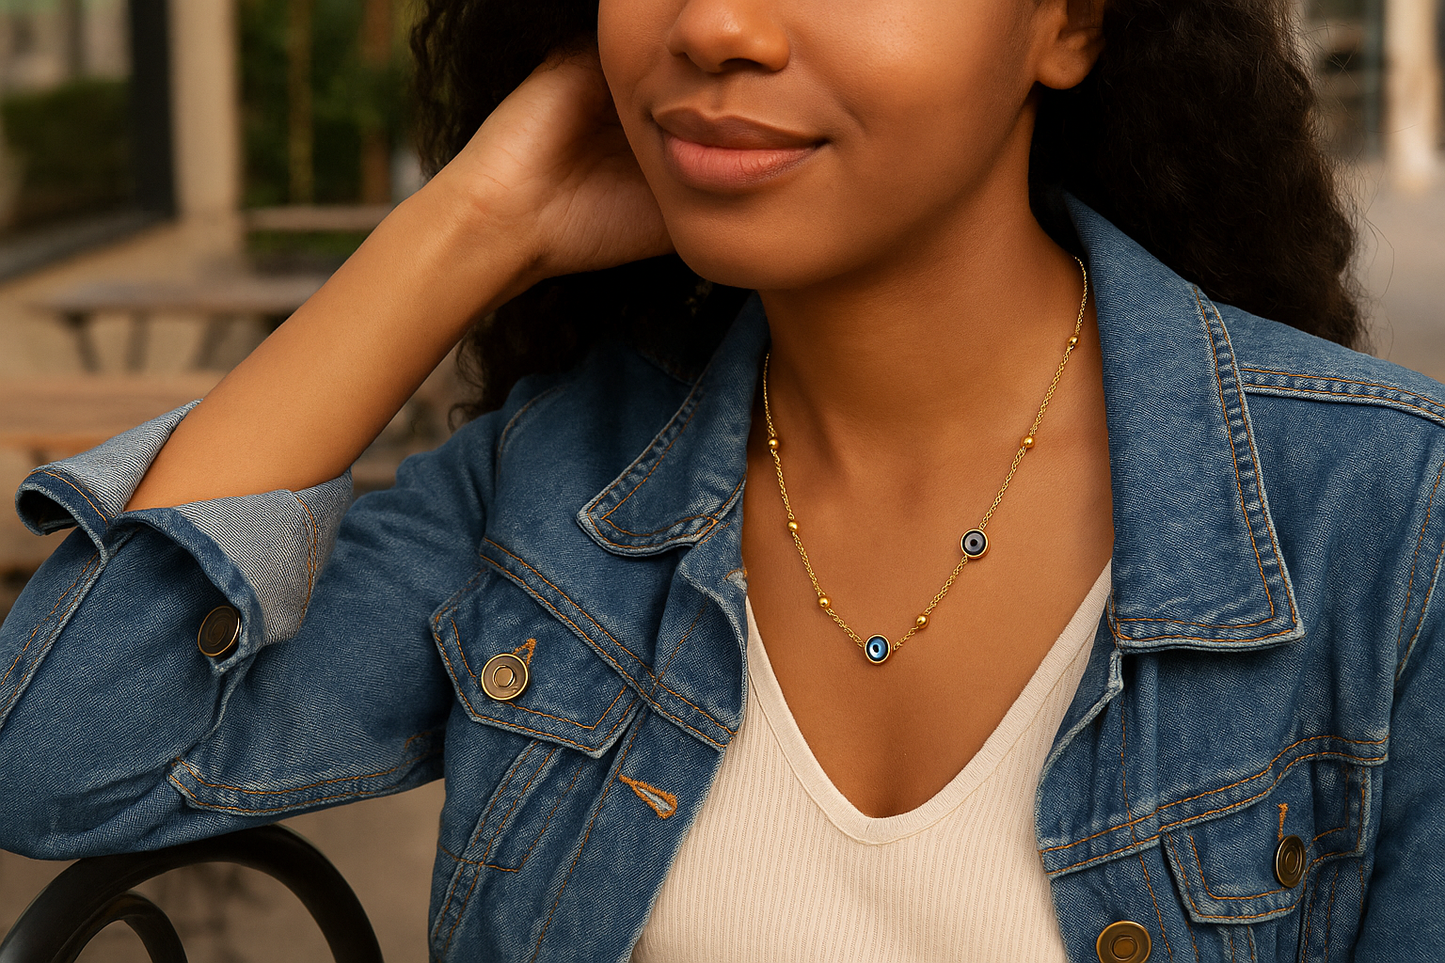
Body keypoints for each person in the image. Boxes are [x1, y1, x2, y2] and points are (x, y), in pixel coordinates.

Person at [0, 0, 1440, 959]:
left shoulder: (1388, 518)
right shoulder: (551, 491)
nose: (716, 23)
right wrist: (470, 223)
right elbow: (63, 755)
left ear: (1063, 24)